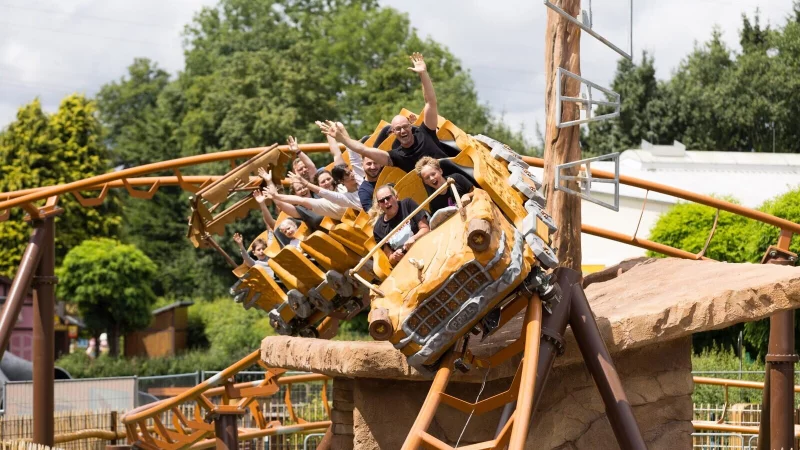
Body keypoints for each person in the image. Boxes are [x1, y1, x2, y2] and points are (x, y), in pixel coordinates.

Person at [318, 53, 448, 173]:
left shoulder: (425, 132)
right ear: (393, 132)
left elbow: (430, 102)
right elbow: (363, 150)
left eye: (405, 127)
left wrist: (423, 74)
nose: (403, 131)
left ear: (410, 126)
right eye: (398, 129)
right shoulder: (396, 156)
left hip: (454, 176)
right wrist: (341, 139)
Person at [371, 185, 430, 266]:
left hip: (425, 246)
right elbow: (390, 258)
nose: (386, 202)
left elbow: (426, 229)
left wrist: (414, 238)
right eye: (381, 201)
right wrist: (395, 257)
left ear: (396, 197)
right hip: (409, 261)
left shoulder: (407, 204)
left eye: (388, 198)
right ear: (379, 205)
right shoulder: (378, 229)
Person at [289, 164, 361, 210]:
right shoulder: (322, 200)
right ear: (319, 186)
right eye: (323, 182)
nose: (327, 182)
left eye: (328, 179)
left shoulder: (343, 187)